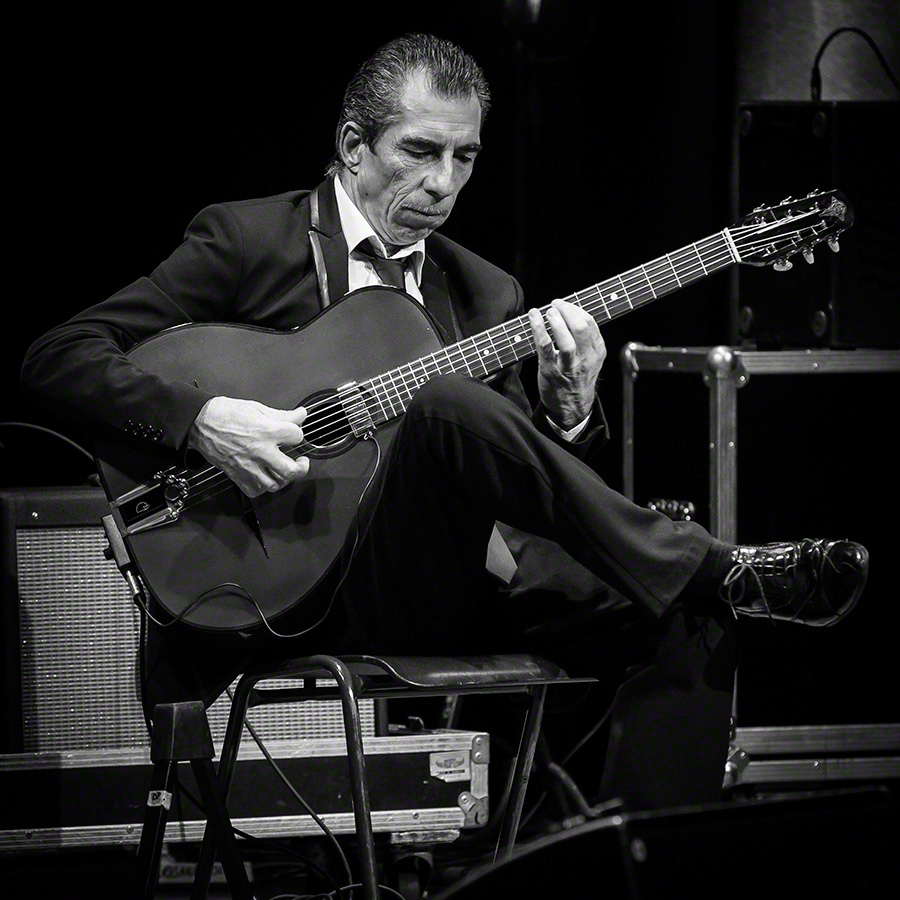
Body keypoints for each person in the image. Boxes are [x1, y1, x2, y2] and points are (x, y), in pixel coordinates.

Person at [21, 33, 868, 813]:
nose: (444, 183)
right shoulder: (250, 241)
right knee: (444, 401)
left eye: (465, 157)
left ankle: (630, 864)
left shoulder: (484, 291)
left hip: (441, 582)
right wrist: (204, 418)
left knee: (689, 616)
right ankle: (717, 564)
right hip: (289, 587)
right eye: (421, 151)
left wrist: (570, 413)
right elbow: (58, 356)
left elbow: (515, 481)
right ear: (354, 145)